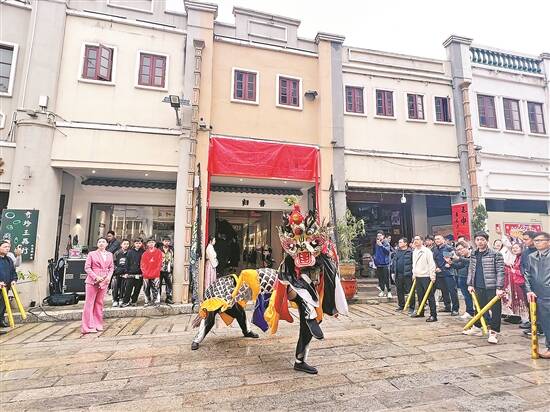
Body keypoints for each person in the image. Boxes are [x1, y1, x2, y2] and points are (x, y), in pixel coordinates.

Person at [464, 231, 505, 344]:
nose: (480, 242)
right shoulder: (473, 254)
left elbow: (501, 271)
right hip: (478, 285)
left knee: (495, 310)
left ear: (487, 240)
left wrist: (499, 287)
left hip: (492, 286)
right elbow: (471, 270)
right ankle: (477, 328)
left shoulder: (496, 254)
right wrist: (470, 284)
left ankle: (494, 332)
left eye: (482, 239)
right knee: (478, 307)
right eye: (477, 240)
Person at [524, 232, 550, 359]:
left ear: (548, 242)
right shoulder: (531, 256)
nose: (537, 243)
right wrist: (529, 290)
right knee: (545, 322)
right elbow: (527, 274)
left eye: (540, 240)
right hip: (539, 295)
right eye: (536, 241)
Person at [81, 237, 114, 334]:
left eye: (103, 242)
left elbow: (111, 267)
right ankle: (88, 326)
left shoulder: (110, 254)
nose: (101, 243)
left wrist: (109, 277)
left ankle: (97, 324)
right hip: (92, 281)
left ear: (107, 244)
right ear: (97, 244)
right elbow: (87, 268)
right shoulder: (91, 254)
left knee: (99, 303)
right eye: (99, 242)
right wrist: (95, 277)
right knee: (89, 303)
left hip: (104, 281)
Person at [411, 235, 437, 322]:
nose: (416, 241)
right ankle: (420, 312)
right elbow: (414, 264)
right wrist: (414, 274)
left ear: (422, 241)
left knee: (430, 296)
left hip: (426, 276)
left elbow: (431, 264)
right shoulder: (414, 251)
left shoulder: (427, 251)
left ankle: (433, 315)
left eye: (418, 239)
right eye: (415, 240)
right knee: (420, 296)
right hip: (418, 276)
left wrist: (432, 275)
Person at [501, 242, 529, 324]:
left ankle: (529, 321)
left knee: (524, 302)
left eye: (516, 248)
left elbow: (525, 271)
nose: (514, 249)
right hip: (517, 282)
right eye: (513, 248)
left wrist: (514, 271)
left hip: (523, 283)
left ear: (521, 248)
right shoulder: (517, 257)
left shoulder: (523, 258)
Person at [433, 234, 460, 315]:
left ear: (443, 240)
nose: (437, 240)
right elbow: (435, 260)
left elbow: (453, 259)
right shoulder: (435, 249)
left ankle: (455, 309)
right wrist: (436, 267)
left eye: (438, 238)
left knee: (452, 291)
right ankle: (447, 307)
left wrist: (448, 264)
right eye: (435, 239)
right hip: (439, 273)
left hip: (448, 273)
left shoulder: (448, 248)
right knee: (444, 291)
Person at [448, 241, 475, 320]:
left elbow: (470, 262)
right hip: (463, 278)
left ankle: (479, 313)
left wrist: (459, 258)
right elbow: (459, 266)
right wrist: (451, 263)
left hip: (473, 280)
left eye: (461, 249)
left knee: (476, 297)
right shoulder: (463, 257)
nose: (459, 251)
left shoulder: (473, 254)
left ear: (467, 247)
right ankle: (469, 312)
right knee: (466, 297)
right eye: (458, 250)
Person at [391, 237, 414, 313]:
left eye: (401, 242)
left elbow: (413, 263)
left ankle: (412, 307)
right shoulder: (397, 252)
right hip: (398, 274)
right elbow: (394, 262)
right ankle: (401, 305)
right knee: (399, 290)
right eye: (399, 242)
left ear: (405, 243)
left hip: (407, 274)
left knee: (410, 291)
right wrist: (393, 272)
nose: (399, 244)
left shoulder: (410, 252)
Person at [0, 240, 18, 329]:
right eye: (5, 247)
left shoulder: (9, 260)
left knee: (3, 305)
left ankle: (1, 320)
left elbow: (13, 272)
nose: (7, 249)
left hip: (5, 287)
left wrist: (13, 280)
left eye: (8, 247)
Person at [122, 238, 144, 307]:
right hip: (130, 273)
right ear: (134, 244)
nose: (138, 244)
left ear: (142, 244)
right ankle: (126, 301)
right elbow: (127, 262)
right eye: (136, 243)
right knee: (128, 288)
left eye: (139, 243)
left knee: (137, 288)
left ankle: (134, 300)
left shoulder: (143, 252)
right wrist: (126, 272)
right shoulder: (130, 252)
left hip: (140, 273)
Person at [141, 238, 163, 306]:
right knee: (146, 288)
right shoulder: (145, 253)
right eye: (149, 242)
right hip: (146, 274)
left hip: (156, 273)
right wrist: (144, 272)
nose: (151, 244)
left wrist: (156, 271)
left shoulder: (158, 252)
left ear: (155, 243)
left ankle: (156, 301)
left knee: (156, 287)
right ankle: (147, 300)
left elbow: (160, 263)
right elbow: (142, 264)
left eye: (152, 242)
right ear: (147, 244)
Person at [112, 239, 130, 307]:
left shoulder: (129, 252)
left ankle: (121, 298)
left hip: (125, 273)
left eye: (127, 244)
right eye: (124, 244)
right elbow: (113, 263)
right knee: (116, 287)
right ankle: (115, 300)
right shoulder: (117, 253)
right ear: (121, 245)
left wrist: (127, 271)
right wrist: (116, 269)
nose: (126, 245)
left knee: (123, 287)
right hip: (117, 273)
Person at [374, 231, 392, 298]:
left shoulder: (386, 243)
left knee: (387, 278)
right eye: (378, 235)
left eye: (380, 235)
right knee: (380, 278)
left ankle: (389, 292)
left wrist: (381, 246)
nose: (379, 237)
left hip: (385, 264)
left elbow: (387, 252)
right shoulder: (376, 243)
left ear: (383, 236)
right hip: (379, 264)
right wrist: (375, 259)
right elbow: (375, 252)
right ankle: (382, 291)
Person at [159, 237, 174, 304]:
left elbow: (173, 259)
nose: (167, 242)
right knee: (158, 284)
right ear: (163, 242)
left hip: (168, 270)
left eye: (168, 241)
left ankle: (168, 298)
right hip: (160, 270)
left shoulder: (171, 250)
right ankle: (158, 298)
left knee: (169, 285)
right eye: (165, 241)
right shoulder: (159, 250)